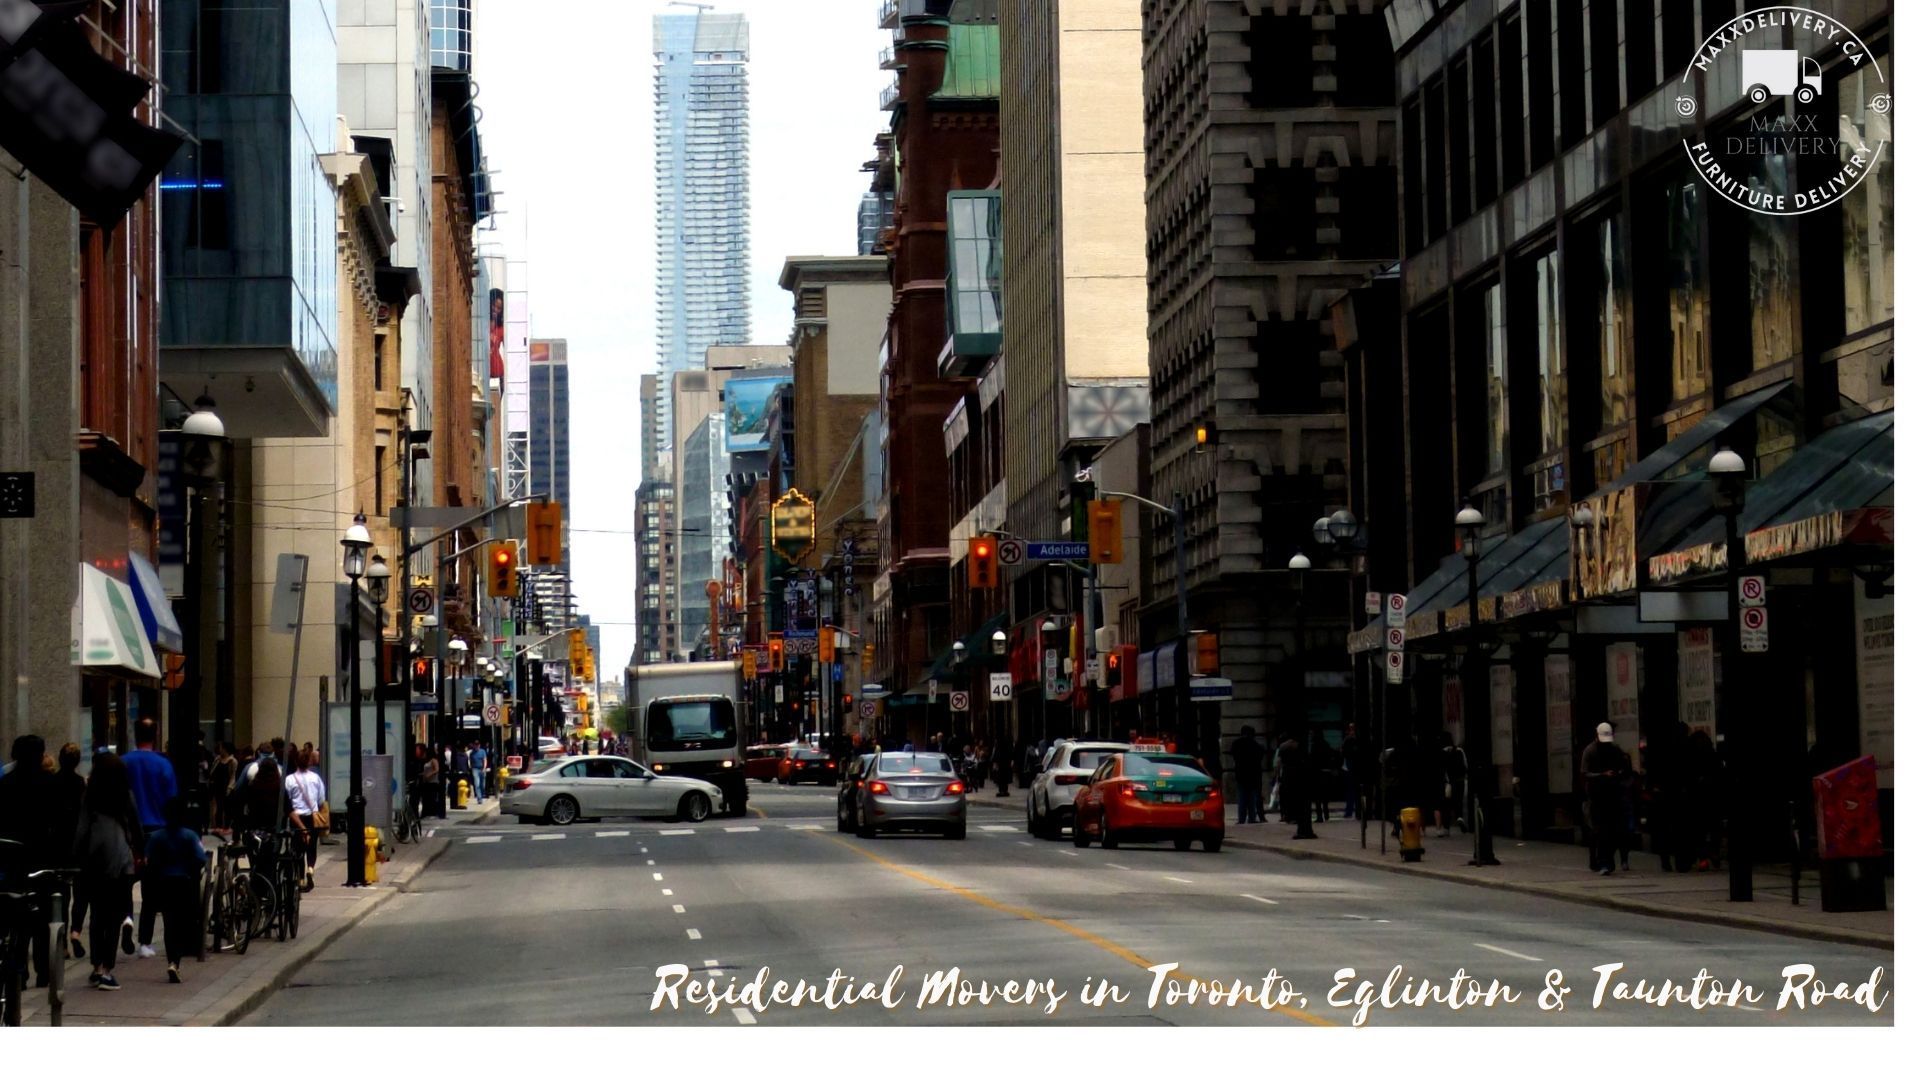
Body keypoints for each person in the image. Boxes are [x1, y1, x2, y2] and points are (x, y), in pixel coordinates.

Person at [72, 751, 140, 991]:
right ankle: (107, 970)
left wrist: (77, 857)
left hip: (94, 861)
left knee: (98, 915)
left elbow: (81, 830)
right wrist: (141, 853)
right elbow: (135, 825)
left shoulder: (89, 796)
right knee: (114, 916)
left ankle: (95, 966)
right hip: (120, 861)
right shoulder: (125, 795)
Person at [122, 719, 177, 960]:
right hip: (156, 830)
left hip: (127, 832)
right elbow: (171, 800)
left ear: (135, 734)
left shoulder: (123, 762)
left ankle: (125, 917)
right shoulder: (163, 764)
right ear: (154, 735)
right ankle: (145, 942)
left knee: (125, 881)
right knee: (151, 890)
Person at [143, 795, 207, 984]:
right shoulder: (189, 836)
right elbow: (201, 858)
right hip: (185, 882)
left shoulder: (157, 837)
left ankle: (172, 960)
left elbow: (149, 860)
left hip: (163, 882)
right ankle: (175, 962)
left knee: (169, 924)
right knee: (182, 923)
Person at [1580, 722, 1632, 875]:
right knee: (1600, 830)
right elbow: (1584, 773)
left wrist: (1620, 776)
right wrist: (1602, 776)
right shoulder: (1590, 751)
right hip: (1596, 796)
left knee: (1613, 831)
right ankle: (1603, 862)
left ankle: (1607, 861)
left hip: (1613, 795)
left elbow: (1625, 768)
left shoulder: (1615, 750)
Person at [284, 750, 326, 889]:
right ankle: (311, 869)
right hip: (311, 817)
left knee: (297, 849)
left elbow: (287, 799)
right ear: (308, 762)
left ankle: (301, 878)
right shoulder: (316, 778)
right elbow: (321, 799)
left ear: (296, 762)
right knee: (311, 846)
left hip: (296, 817)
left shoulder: (289, 779)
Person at [1276, 730, 1315, 839]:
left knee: (1293, 802)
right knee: (1304, 805)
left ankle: (1297, 825)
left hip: (1288, 776)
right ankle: (1305, 830)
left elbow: (1278, 763)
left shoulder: (1283, 747)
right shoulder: (1300, 746)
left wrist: (1278, 776)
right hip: (1301, 777)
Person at [1229, 726, 1266, 825]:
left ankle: (1241, 818)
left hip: (1241, 773)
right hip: (1253, 774)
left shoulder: (1236, 743)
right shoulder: (1256, 745)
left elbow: (1232, 754)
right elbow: (1260, 756)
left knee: (1242, 796)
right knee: (1251, 797)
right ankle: (1252, 818)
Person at [1435, 731, 1467, 837]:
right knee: (1459, 801)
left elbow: (1441, 769)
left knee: (1446, 805)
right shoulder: (1459, 750)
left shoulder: (1442, 753)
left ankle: (1446, 828)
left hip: (1448, 783)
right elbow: (1465, 765)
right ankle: (1459, 817)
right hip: (1460, 781)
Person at [1310, 731, 1337, 823]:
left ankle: (1319, 816)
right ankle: (1326, 814)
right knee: (1325, 795)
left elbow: (1313, 759)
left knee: (1317, 796)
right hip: (1326, 772)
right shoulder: (1326, 745)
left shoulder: (1314, 746)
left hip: (1317, 773)